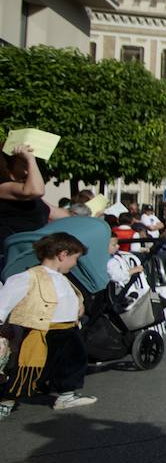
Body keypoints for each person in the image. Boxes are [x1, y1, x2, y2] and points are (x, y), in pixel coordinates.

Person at [0, 232, 96, 419]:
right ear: (62, 254)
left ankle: (67, 395)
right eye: (75, 259)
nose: (75, 264)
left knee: (74, 361)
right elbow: (6, 299)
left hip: (67, 330)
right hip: (43, 332)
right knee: (30, 369)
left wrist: (78, 306)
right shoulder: (29, 276)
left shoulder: (62, 277)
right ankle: (7, 400)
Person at [0, 145, 49, 247]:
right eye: (23, 161)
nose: (27, 166)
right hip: (13, 251)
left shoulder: (25, 191)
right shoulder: (2, 187)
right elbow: (36, 191)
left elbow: (54, 211)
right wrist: (30, 159)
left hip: (34, 247)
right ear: (9, 164)